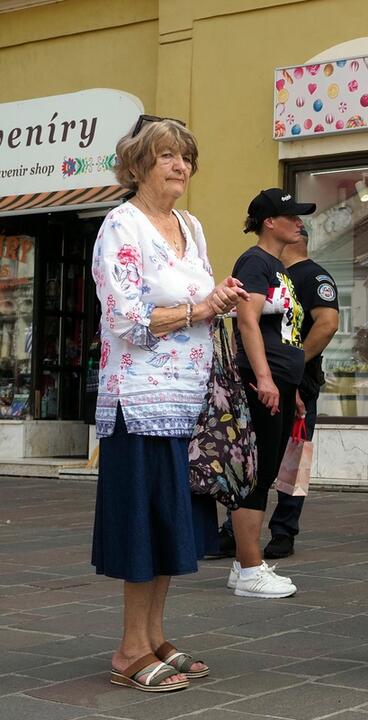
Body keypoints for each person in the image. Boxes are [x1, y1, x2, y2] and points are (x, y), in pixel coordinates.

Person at [91, 115, 247, 691]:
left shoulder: (191, 225)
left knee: (167, 523)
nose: (179, 166)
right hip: (139, 400)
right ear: (138, 164)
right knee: (142, 527)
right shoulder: (121, 226)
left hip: (189, 400)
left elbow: (195, 297)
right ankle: (130, 649)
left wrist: (219, 299)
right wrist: (199, 311)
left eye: (185, 157)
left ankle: (155, 635)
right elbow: (125, 318)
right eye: (165, 157)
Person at [225, 188, 314, 599]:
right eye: (292, 216)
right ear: (269, 222)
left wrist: (290, 387)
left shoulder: (276, 266)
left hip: (281, 382)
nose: (300, 222)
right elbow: (246, 321)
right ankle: (249, 570)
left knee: (266, 471)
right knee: (257, 476)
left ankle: (244, 562)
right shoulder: (255, 262)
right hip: (263, 382)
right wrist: (263, 378)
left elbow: (282, 330)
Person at [263, 226, 340, 558]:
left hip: (297, 383)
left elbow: (327, 323)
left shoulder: (313, 277)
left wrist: (296, 364)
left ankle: (284, 530)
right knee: (255, 454)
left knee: (294, 457)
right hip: (264, 379)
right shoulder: (271, 273)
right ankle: (235, 528)